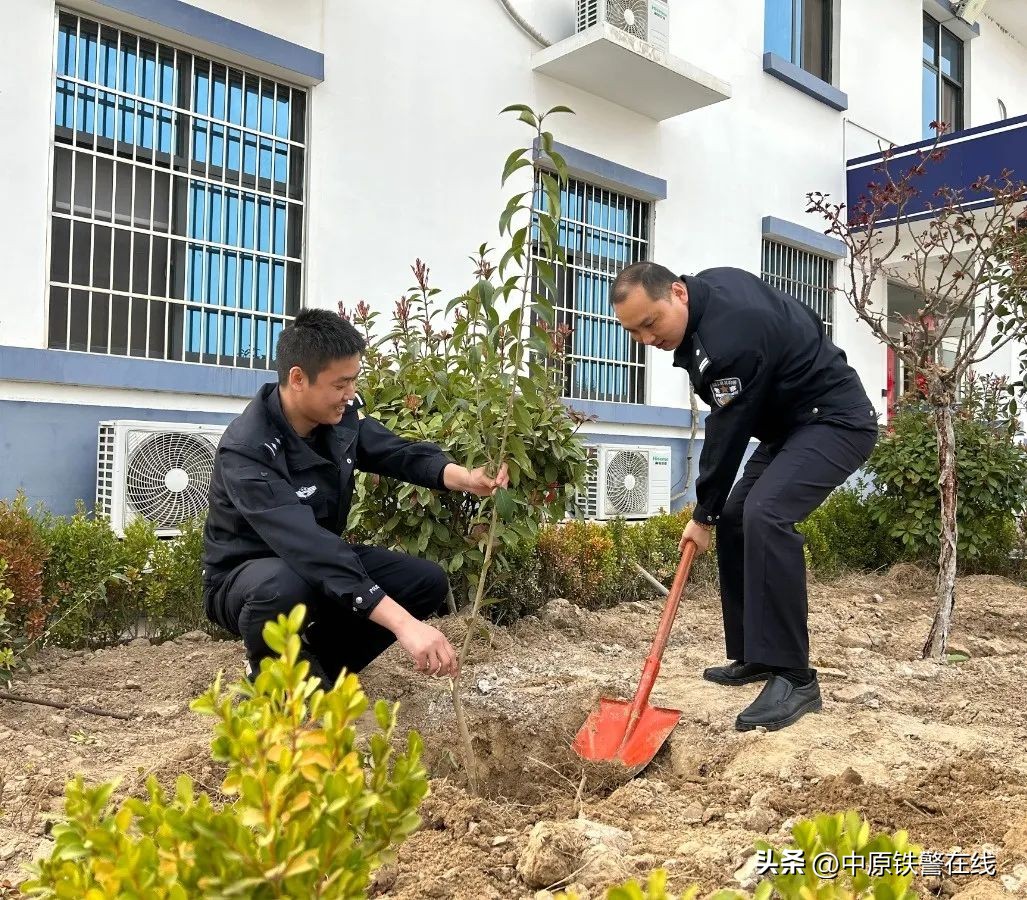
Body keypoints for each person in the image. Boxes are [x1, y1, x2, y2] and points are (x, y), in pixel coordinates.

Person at [610, 262, 878, 731]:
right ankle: (757, 654)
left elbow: (727, 432)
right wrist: (717, 514)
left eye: (650, 324)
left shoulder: (729, 337)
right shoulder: (710, 293)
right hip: (791, 426)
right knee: (738, 516)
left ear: (677, 293)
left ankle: (794, 678)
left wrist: (702, 514)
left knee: (766, 514)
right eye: (635, 333)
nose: (647, 341)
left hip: (835, 421)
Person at [202, 308, 509, 688]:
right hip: (248, 578)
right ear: (298, 378)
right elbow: (308, 546)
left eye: (353, 381)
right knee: (283, 586)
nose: (349, 395)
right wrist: (404, 626)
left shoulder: (339, 419)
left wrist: (463, 477)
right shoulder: (248, 449)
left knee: (424, 581)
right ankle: (272, 678)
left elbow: (393, 451)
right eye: (340, 384)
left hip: (314, 565)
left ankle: (317, 672)